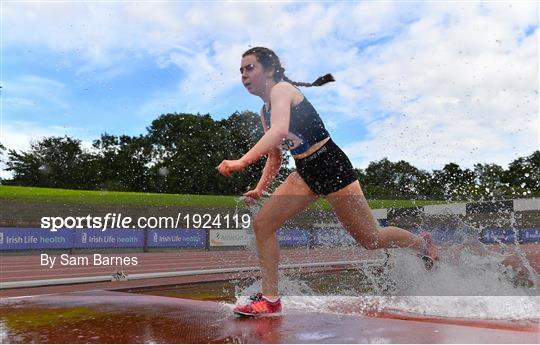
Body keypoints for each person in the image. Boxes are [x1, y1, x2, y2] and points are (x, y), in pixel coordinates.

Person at [218, 47, 438, 317]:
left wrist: (241, 161)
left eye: (249, 68)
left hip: (331, 165)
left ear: (270, 69)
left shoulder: (282, 90)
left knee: (371, 239)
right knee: (263, 223)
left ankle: (422, 244)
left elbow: (279, 132)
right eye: (240, 70)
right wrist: (260, 188)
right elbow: (275, 155)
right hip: (305, 171)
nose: (244, 75)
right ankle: (270, 299)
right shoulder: (265, 111)